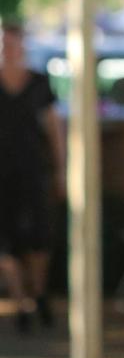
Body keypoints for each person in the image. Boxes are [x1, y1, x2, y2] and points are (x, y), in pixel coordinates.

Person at [0, 18, 64, 333]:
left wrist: (62, 168)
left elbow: (54, 127)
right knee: (6, 242)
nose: (8, 50)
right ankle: (22, 302)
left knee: (40, 238)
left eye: (13, 44)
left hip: (34, 169)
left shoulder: (39, 82)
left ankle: (38, 294)